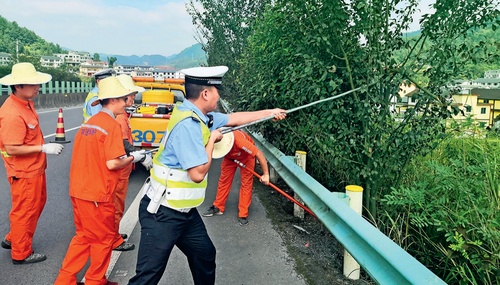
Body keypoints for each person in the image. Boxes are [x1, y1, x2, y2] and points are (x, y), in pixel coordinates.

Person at [128, 66, 286, 285]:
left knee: (204, 255)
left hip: (184, 213)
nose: (219, 95)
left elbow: (235, 118)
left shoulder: (201, 116)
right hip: (162, 213)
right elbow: (197, 174)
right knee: (148, 276)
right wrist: (212, 141)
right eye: (216, 90)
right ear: (205, 94)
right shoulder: (189, 125)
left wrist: (270, 113)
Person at [54, 76, 147, 285]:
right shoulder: (111, 126)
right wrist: (135, 157)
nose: (126, 104)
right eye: (124, 99)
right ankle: (96, 281)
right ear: (114, 100)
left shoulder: (90, 124)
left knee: (83, 238)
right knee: (103, 240)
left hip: (79, 191)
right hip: (98, 194)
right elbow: (112, 164)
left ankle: (65, 280)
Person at [0, 62, 64, 265]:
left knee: (35, 205)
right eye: (32, 84)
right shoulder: (12, 113)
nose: (38, 87)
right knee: (25, 210)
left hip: (33, 169)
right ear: (18, 86)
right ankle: (21, 252)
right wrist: (43, 148)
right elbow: (12, 148)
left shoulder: (25, 104)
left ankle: (14, 238)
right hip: (24, 171)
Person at [112, 74, 152, 250]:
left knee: (117, 205)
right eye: (133, 95)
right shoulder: (119, 117)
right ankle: (113, 239)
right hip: (119, 169)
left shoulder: (122, 115)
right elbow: (123, 142)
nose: (134, 98)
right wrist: (139, 154)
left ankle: (113, 234)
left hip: (122, 168)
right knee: (115, 206)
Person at [202, 130, 270, 226]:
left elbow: (259, 154)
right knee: (224, 181)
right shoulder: (217, 137)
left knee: (246, 184)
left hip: (247, 157)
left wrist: (266, 174)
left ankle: (243, 213)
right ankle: (218, 207)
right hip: (229, 158)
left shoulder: (240, 141)